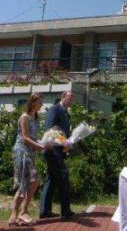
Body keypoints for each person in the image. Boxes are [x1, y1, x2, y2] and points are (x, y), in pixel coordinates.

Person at [8, 93, 52, 227]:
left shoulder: (34, 117)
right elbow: (25, 138)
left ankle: (16, 214)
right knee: (32, 181)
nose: (42, 105)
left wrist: (47, 142)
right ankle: (21, 212)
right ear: (32, 103)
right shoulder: (24, 117)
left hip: (30, 152)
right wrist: (41, 146)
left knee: (27, 182)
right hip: (22, 153)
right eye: (40, 102)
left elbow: (32, 137)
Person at [39, 91, 75, 219]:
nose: (71, 100)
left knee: (51, 179)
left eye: (73, 98)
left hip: (59, 150)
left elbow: (64, 131)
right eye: (70, 98)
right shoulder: (54, 109)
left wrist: (70, 141)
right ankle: (65, 210)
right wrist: (63, 141)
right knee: (63, 178)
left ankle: (44, 211)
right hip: (52, 151)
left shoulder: (66, 113)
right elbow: (50, 130)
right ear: (63, 97)